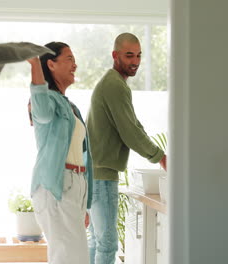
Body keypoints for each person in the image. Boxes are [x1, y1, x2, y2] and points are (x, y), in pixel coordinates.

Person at [86, 33, 167, 264]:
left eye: (139, 55)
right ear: (115, 55)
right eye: (129, 55)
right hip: (102, 176)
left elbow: (132, 123)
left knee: (97, 242)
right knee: (108, 244)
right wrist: (160, 157)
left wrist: (158, 154)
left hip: (95, 172)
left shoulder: (113, 83)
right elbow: (129, 132)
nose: (135, 61)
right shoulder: (114, 85)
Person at [27, 42, 93, 264]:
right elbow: (43, 114)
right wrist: (34, 65)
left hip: (73, 187)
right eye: (69, 59)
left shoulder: (69, 106)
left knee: (72, 259)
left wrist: (83, 204)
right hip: (57, 187)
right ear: (51, 65)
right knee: (70, 260)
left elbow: (80, 154)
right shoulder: (44, 100)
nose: (75, 64)